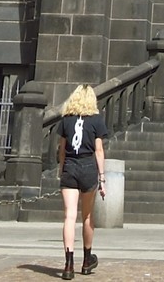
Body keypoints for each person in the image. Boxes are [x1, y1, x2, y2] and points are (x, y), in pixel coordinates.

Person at [56, 84, 107, 278]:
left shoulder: (66, 121)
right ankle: (87, 260)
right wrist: (102, 178)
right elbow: (99, 151)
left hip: (70, 165)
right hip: (87, 167)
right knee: (87, 216)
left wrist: (62, 169)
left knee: (69, 216)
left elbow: (61, 149)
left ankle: (68, 264)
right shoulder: (96, 121)